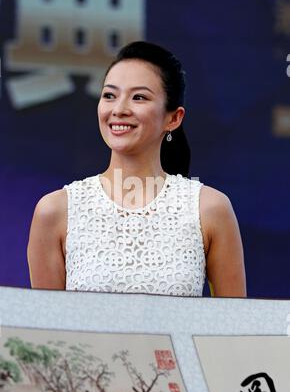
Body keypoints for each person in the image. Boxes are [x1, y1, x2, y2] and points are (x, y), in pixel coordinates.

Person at [27, 41, 246, 297]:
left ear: (173, 118)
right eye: (109, 95)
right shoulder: (54, 211)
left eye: (139, 97)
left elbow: (232, 327)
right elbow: (48, 331)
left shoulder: (209, 209)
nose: (119, 109)